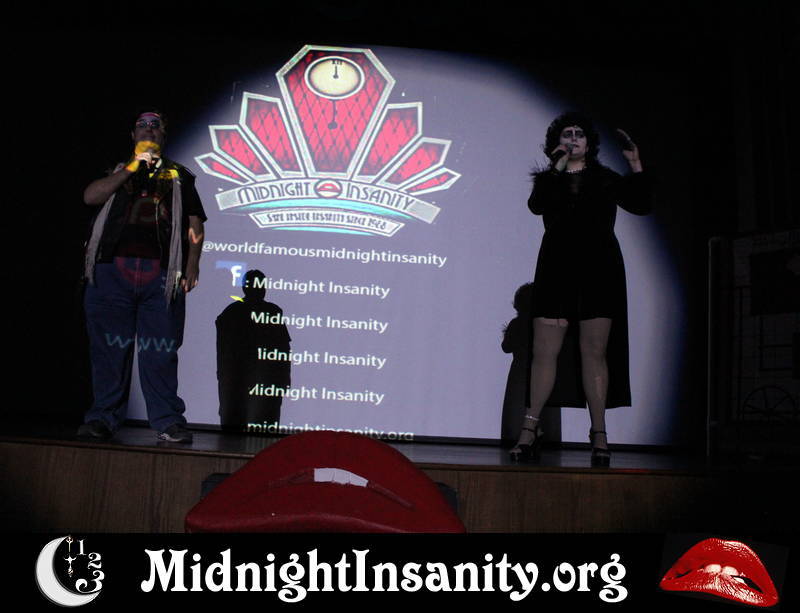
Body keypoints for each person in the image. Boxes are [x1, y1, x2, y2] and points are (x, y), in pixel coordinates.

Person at [510, 112, 652, 465]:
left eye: (579, 134)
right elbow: (536, 206)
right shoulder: (550, 180)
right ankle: (529, 430)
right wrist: (555, 168)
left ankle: (599, 434)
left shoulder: (604, 178)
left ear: (589, 144)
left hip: (598, 269)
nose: (573, 138)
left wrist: (635, 164)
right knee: (544, 352)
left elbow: (641, 205)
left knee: (594, 352)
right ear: (556, 143)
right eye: (566, 134)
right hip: (556, 269)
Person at [78, 109, 207, 443]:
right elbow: (91, 197)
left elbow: (194, 223)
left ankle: (167, 421)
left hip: (160, 276)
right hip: (112, 271)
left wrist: (192, 263)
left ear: (163, 136)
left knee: (160, 350)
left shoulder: (179, 176)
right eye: (142, 126)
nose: (149, 130)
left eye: (156, 126)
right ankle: (103, 418)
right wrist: (132, 167)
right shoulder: (117, 170)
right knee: (109, 350)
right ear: (133, 135)